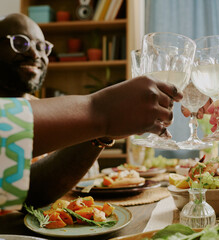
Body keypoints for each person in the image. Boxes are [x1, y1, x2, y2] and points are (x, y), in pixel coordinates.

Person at [0, 13, 182, 213]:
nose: (35, 54)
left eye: (42, 47)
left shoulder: (39, 106)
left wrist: (102, 134)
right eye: (20, 43)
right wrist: (100, 110)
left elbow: (28, 189)